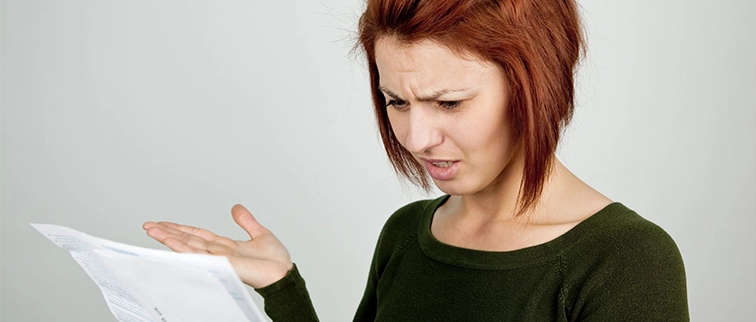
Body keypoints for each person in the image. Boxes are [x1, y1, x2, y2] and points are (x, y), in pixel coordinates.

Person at [143, 0, 689, 321]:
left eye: (449, 103)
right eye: (396, 101)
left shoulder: (627, 260)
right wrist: (282, 288)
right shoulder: (407, 233)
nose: (416, 137)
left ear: (535, 88)